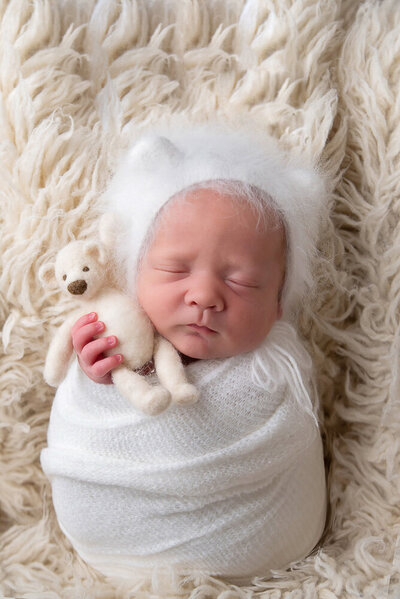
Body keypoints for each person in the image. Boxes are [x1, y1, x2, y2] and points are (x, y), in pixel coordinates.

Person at [40, 121, 328, 584]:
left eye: (242, 281)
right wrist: (97, 376)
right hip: (112, 548)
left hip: (272, 556)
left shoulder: (278, 374)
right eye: (175, 269)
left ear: (278, 303)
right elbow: (85, 420)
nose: (205, 296)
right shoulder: (120, 329)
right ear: (134, 274)